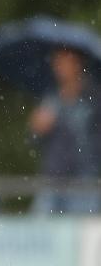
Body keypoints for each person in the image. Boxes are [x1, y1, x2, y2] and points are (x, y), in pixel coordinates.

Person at [29, 47, 101, 214]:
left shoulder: (95, 98)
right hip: (53, 178)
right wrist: (37, 128)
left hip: (84, 181)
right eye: (57, 62)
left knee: (81, 234)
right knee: (38, 230)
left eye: (64, 61)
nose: (59, 67)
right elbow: (33, 140)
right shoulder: (50, 97)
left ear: (77, 63)